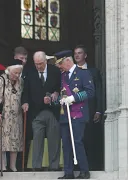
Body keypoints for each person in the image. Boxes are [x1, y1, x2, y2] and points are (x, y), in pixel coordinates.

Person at [55, 50, 94, 179]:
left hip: (78, 114)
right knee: (66, 143)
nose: (59, 66)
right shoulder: (63, 76)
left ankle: (84, 171)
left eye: (60, 63)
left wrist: (73, 98)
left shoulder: (83, 73)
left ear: (67, 60)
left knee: (77, 141)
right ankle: (68, 172)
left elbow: (90, 92)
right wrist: (60, 99)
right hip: (65, 114)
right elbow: (63, 92)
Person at [21, 51, 61, 171]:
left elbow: (60, 87)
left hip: (52, 111)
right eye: (36, 64)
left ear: (46, 61)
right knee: (37, 140)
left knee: (54, 140)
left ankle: (54, 166)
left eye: (41, 63)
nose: (38, 66)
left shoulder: (55, 71)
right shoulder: (30, 72)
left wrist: (56, 93)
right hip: (36, 111)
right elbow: (25, 91)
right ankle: (36, 167)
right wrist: (25, 102)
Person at [74, 44, 104, 170]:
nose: (77, 55)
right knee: (77, 138)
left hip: (90, 109)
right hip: (75, 111)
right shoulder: (70, 71)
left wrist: (98, 110)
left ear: (85, 55)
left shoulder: (93, 71)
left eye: (80, 53)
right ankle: (77, 166)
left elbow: (99, 91)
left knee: (90, 138)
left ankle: (91, 165)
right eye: (75, 53)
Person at [0, 61, 24, 172]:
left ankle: (13, 166)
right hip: (3, 116)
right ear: (9, 70)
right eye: (15, 72)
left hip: (16, 116)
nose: (17, 75)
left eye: (19, 73)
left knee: (15, 140)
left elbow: (23, 96)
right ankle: (2, 166)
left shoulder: (21, 81)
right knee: (2, 141)